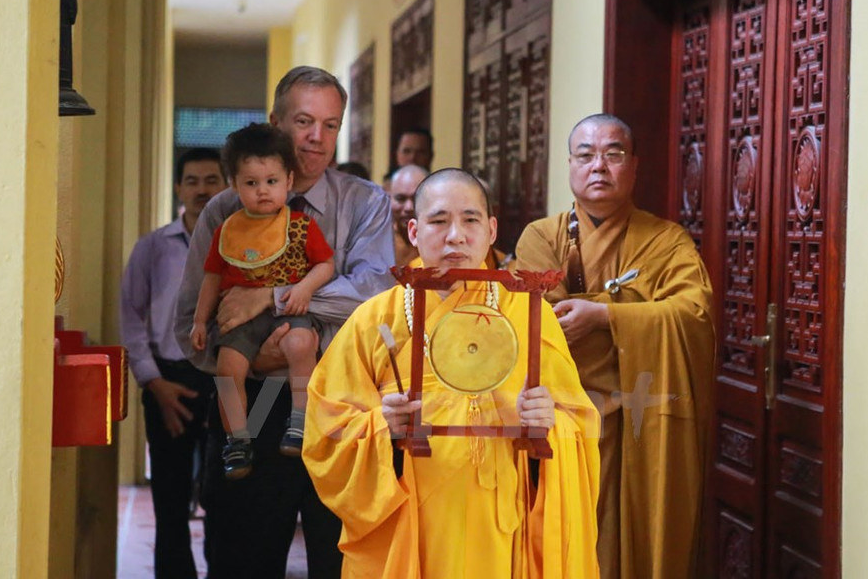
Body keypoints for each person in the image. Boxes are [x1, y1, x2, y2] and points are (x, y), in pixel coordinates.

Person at [303, 168, 602, 578]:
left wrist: (549, 423)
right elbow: (325, 431)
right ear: (413, 230)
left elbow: (578, 423)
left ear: (492, 229)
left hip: (498, 524)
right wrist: (380, 426)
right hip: (410, 521)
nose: (455, 236)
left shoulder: (529, 314)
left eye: (471, 220)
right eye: (439, 221)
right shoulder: (376, 319)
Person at [174, 66, 395, 578]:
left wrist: (265, 298)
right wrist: (248, 351)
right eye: (303, 121)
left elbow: (374, 293)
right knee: (242, 559)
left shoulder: (365, 204)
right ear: (275, 121)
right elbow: (190, 319)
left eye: (331, 125)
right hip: (250, 410)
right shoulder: (225, 210)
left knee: (341, 560)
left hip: (343, 409)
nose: (317, 138)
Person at [514, 114, 716, 579]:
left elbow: (694, 313)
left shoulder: (665, 241)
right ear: (569, 165)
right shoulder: (540, 237)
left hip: (638, 420)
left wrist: (606, 315)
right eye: (586, 154)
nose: (599, 166)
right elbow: (539, 317)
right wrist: (631, 304)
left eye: (613, 154)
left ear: (634, 166)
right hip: (559, 417)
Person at [190, 124, 335, 479]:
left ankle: (299, 421)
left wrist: (303, 289)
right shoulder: (227, 228)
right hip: (239, 321)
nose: (262, 191)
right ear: (234, 185)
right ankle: (238, 439)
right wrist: (198, 320)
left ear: (288, 180)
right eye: (251, 183)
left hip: (286, 311)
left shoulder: (300, 226)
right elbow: (210, 277)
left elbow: (325, 265)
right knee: (227, 369)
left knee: (303, 343)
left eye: (271, 181)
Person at [120, 147, 226, 579]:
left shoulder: (244, 246)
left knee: (225, 494)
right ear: (179, 188)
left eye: (211, 180)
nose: (202, 190)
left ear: (227, 186)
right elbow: (130, 315)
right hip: (169, 380)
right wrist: (153, 382)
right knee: (169, 493)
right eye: (193, 181)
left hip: (229, 382)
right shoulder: (152, 248)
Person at [389, 164, 428, 267]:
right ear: (389, 199)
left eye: (416, 199)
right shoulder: (377, 241)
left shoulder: (442, 239)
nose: (409, 207)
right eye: (401, 199)